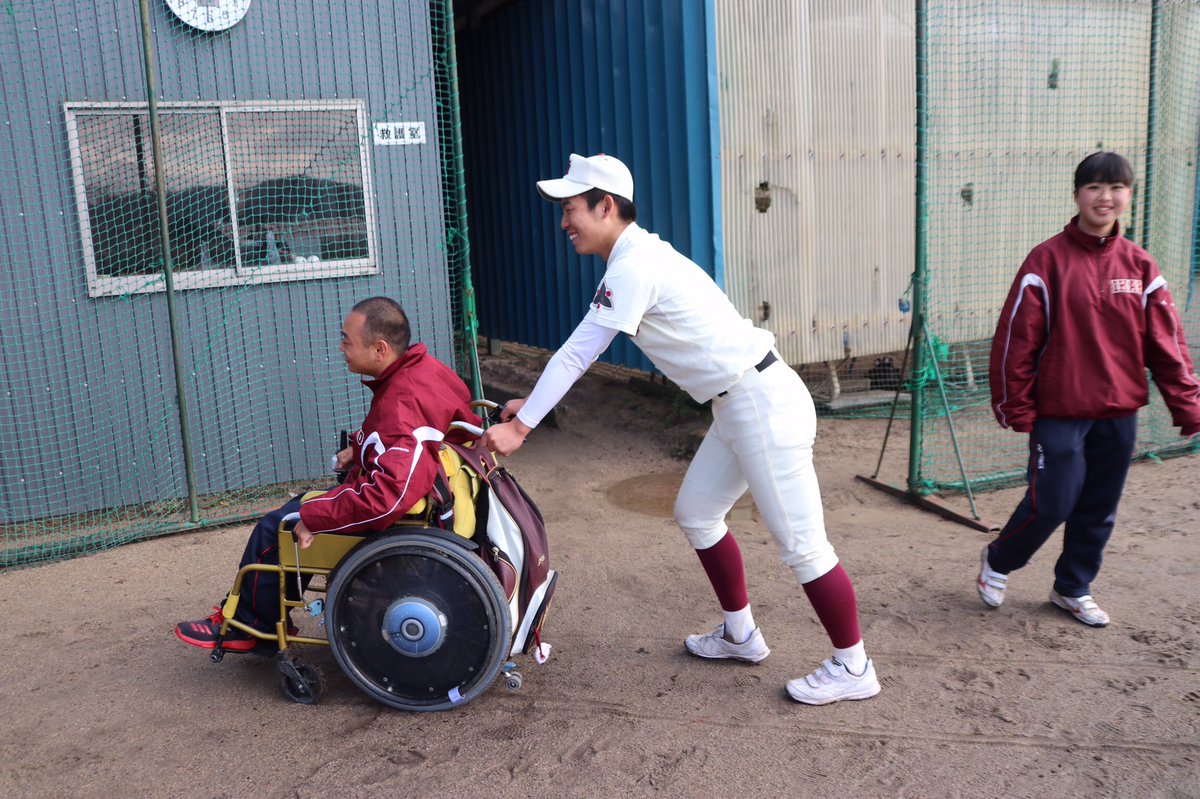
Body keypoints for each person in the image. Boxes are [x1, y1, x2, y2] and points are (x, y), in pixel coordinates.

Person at [481, 153, 880, 705]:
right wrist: (533, 402)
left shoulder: (634, 264)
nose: (564, 221)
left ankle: (854, 666)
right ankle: (740, 634)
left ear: (606, 206)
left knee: (804, 547)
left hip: (760, 404)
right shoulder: (635, 258)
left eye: (572, 208)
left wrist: (523, 425)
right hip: (740, 403)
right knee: (697, 513)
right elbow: (580, 348)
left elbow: (580, 351)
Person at [176, 297, 481, 651]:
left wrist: (317, 519)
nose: (341, 348)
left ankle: (250, 627)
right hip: (447, 494)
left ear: (379, 348)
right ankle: (265, 611)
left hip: (409, 513)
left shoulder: (401, 403)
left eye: (346, 340)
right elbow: (413, 439)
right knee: (297, 507)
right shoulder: (425, 369)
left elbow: (391, 495)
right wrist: (361, 447)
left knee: (278, 526)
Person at [980, 152, 1200, 626]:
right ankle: (999, 560)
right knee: (1053, 501)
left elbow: (1167, 344)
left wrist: (1189, 406)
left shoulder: (1140, 266)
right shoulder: (1046, 261)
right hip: (1059, 409)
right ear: (1077, 194)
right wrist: (1012, 404)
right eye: (1094, 187)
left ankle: (1072, 587)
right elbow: (1015, 339)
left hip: (1119, 410)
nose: (1106, 197)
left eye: (1116, 187)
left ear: (1129, 195)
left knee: (1099, 506)